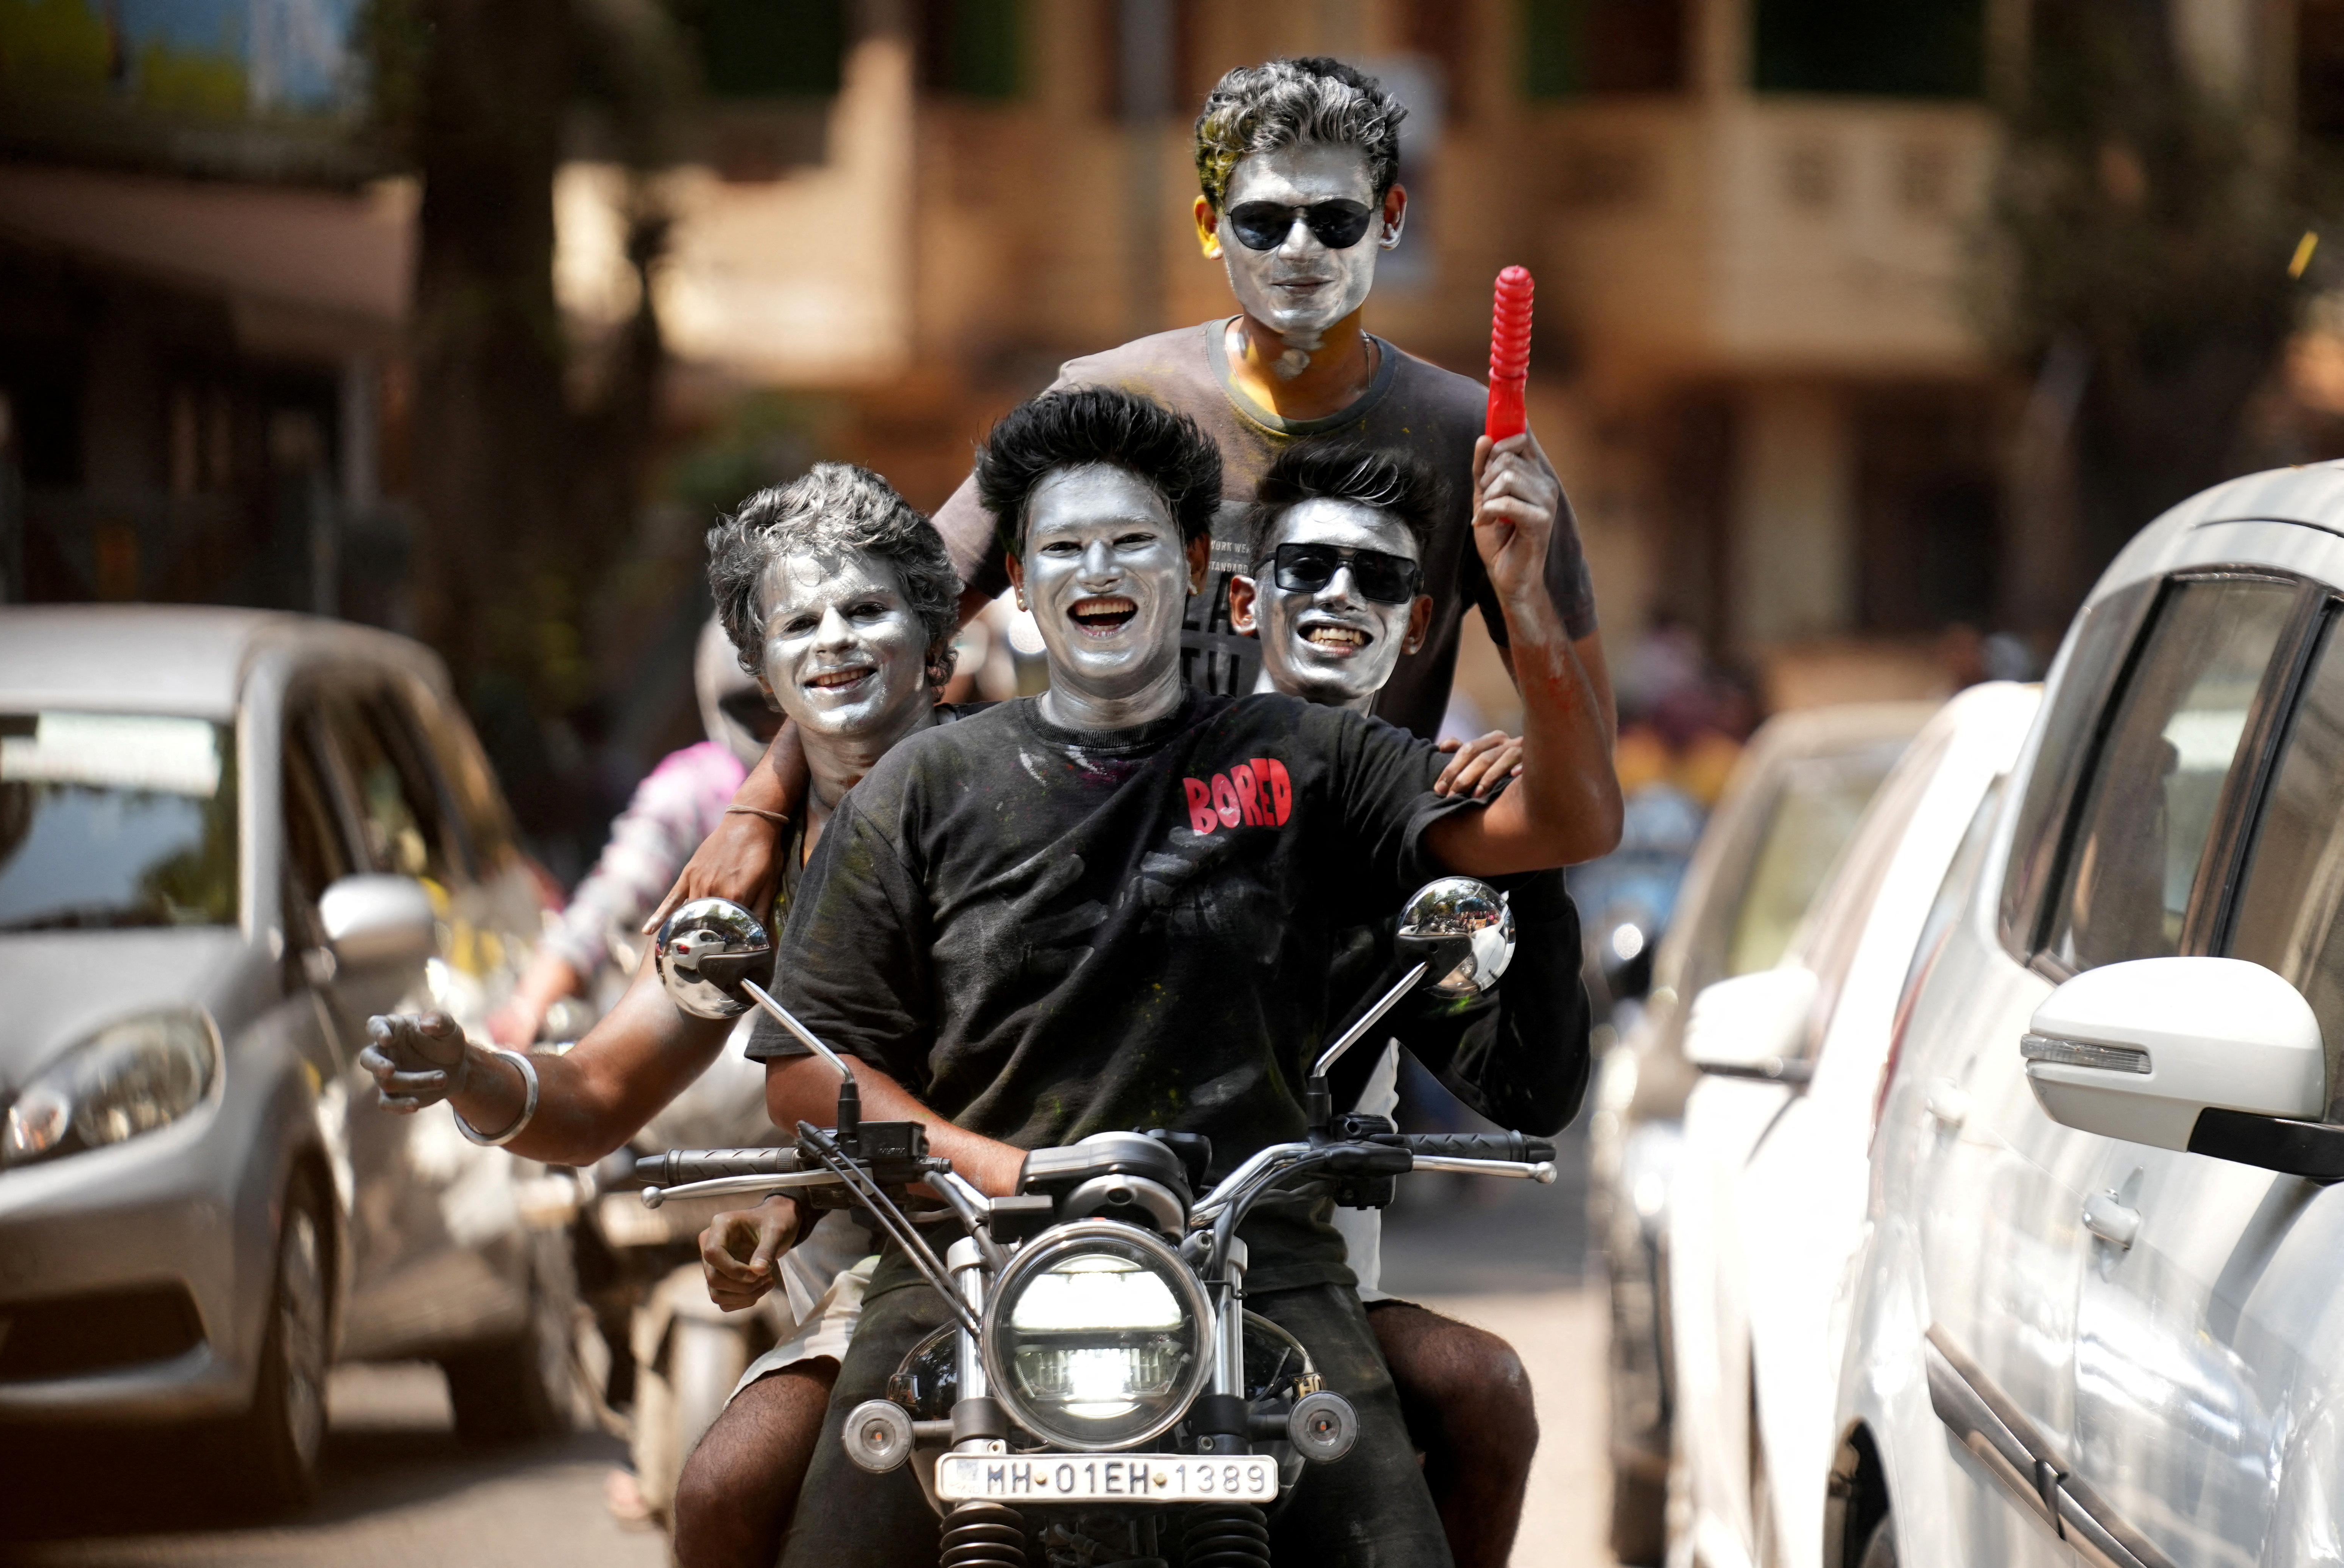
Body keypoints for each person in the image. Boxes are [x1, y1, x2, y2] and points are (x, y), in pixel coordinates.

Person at [719, 384, 1599, 1568]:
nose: (1098, 569)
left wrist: (1527, 599)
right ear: (1021, 590)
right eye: (1063, 548)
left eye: (1131, 541)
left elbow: (1568, 817)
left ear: (1193, 568)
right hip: (971, 1265)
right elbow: (805, 1074)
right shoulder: (921, 786)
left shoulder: (1310, 755)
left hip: (1258, 1267)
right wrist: (1000, 1168)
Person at [647, 54, 1621, 931]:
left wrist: (1522, 719)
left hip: (1322, 945)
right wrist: (760, 809)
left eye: (1334, 220)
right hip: (1086, 924)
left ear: (1390, 221)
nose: (1298, 250)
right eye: (1261, 220)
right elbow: (898, 622)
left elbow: (1585, 771)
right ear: (1209, 227)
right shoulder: (1109, 402)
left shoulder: (1471, 443)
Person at [356, 465, 973, 1564]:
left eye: (868, 609)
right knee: (725, 1489)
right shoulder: (740, 888)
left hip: (1100, 1237)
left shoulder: (1049, 794)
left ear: (939, 642)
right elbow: (594, 1093)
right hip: (895, 1281)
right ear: (759, 671)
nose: (834, 639)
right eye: (800, 621)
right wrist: (475, 1069)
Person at [1225, 440, 1593, 1563]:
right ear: (1245, 598)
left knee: (1484, 1388)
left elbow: (1528, 1088)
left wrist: (1527, 856)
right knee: (780, 1465)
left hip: (1308, 1288)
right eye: (1309, 566)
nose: (1341, 595)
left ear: (1420, 621)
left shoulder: (1426, 830)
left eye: (1378, 576)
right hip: (1084, 1272)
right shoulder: (1135, 774)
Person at [487, 621, 777, 1050]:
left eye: (781, 710)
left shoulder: (862, 777)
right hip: (728, 1049)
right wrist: (528, 1006)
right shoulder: (692, 790)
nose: (772, 729)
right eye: (753, 711)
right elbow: (614, 896)